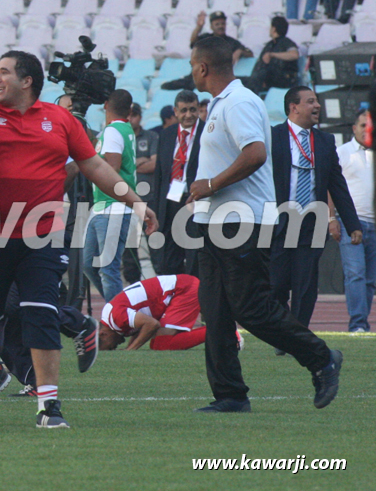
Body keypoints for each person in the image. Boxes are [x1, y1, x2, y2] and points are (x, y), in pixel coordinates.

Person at [0, 50, 157, 429]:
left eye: (3, 72)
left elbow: (92, 165)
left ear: (27, 81)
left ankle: (48, 406)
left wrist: (135, 201)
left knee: (41, 311)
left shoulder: (58, 119)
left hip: (42, 234)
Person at [186, 36, 343, 413]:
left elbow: (255, 153)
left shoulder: (238, 102)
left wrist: (210, 184)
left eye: (193, 64)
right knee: (216, 310)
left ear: (204, 67)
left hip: (241, 221)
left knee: (251, 307)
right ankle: (230, 393)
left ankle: (321, 358)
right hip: (217, 221)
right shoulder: (223, 103)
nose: (191, 71)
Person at [270, 86, 361, 338]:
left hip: (312, 221)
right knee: (275, 283)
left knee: (305, 284)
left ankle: (296, 336)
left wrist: (352, 223)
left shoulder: (324, 141)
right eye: (311, 101)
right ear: (294, 107)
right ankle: (283, 328)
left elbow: (337, 184)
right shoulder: (272, 136)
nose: (317, 106)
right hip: (278, 220)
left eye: (318, 101)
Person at [83, 90, 137, 302]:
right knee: (89, 264)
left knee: (107, 267)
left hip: (113, 205)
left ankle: (117, 318)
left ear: (105, 105)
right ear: (130, 109)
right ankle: (119, 308)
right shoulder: (123, 129)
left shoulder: (113, 131)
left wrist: (90, 166)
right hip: (103, 205)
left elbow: (112, 167)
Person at [98, 275, 241, 351]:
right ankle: (225, 330)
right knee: (158, 343)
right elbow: (140, 327)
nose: (113, 348)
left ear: (103, 334)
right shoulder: (112, 318)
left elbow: (151, 324)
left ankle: (226, 331)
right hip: (180, 288)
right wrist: (132, 345)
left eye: (108, 347)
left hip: (182, 289)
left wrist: (131, 349)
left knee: (162, 344)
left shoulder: (115, 317)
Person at [151, 90, 203, 276]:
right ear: (175, 111)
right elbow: (159, 175)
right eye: (183, 110)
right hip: (169, 204)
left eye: (192, 110)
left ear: (198, 110)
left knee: (194, 261)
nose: (188, 115)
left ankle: (194, 302)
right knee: (167, 263)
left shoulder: (208, 133)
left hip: (194, 203)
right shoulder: (166, 134)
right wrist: (157, 212)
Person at [332, 109, 375, 332]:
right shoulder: (342, 152)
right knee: (356, 274)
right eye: (362, 125)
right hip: (352, 222)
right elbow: (331, 188)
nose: (367, 130)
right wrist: (332, 218)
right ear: (353, 128)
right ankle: (357, 324)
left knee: (370, 280)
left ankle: (362, 325)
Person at [163, 12, 254, 91]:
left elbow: (250, 53)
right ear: (211, 26)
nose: (220, 26)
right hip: (201, 76)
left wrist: (239, 51)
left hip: (220, 78)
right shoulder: (206, 38)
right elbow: (193, 42)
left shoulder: (232, 42)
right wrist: (199, 27)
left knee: (249, 82)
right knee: (166, 86)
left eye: (222, 23)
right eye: (217, 24)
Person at [122, 102, 158, 284]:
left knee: (155, 245)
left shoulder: (151, 137)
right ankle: (134, 286)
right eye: (127, 115)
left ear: (140, 116)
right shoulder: (121, 137)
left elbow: (155, 164)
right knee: (129, 252)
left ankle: (160, 284)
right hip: (127, 201)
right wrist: (141, 161)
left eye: (134, 115)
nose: (130, 119)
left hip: (149, 200)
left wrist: (132, 165)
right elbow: (117, 167)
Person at [242, 17, 300, 95]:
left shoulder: (287, 42)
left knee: (252, 81)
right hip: (265, 79)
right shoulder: (269, 44)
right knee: (239, 81)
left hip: (282, 80)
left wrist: (272, 55)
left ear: (273, 29)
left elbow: (294, 55)